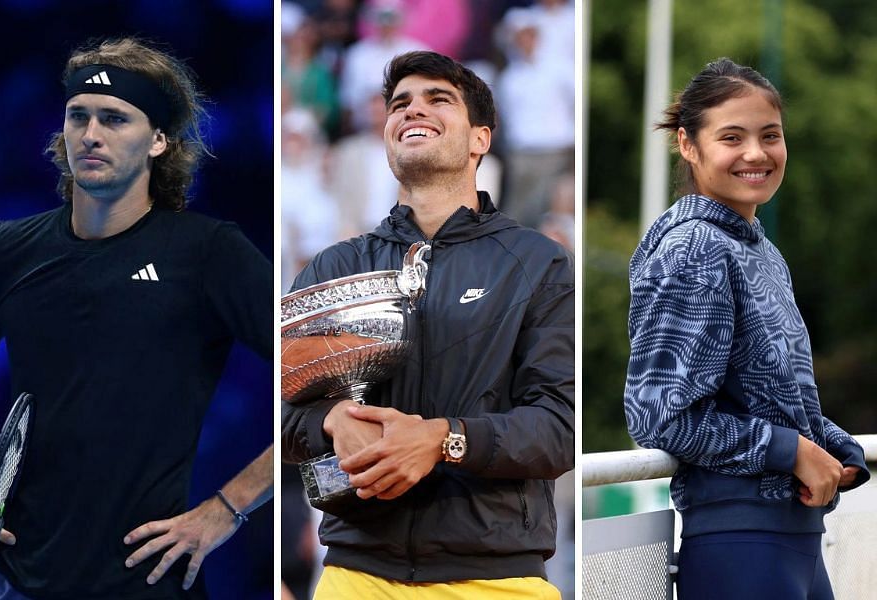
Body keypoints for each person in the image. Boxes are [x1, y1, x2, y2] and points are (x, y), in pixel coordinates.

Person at [0, 38, 273, 599]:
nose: (91, 135)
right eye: (78, 116)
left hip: (148, 581)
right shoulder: (10, 247)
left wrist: (227, 508)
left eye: (114, 119)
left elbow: (317, 379)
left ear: (160, 140)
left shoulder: (209, 252)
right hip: (15, 581)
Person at [282, 50, 574, 599]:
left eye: (438, 99)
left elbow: (561, 428)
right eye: (399, 104)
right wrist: (331, 422)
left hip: (496, 579)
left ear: (479, 140)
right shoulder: (335, 265)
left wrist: (445, 440)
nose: (412, 109)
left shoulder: (538, 262)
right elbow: (280, 413)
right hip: (355, 574)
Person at [624, 58, 871, 599]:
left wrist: (835, 448)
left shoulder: (757, 248)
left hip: (793, 538)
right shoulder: (693, 248)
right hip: (740, 544)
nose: (756, 154)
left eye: (770, 136)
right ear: (688, 145)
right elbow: (659, 416)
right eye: (731, 137)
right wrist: (792, 452)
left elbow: (770, 397)